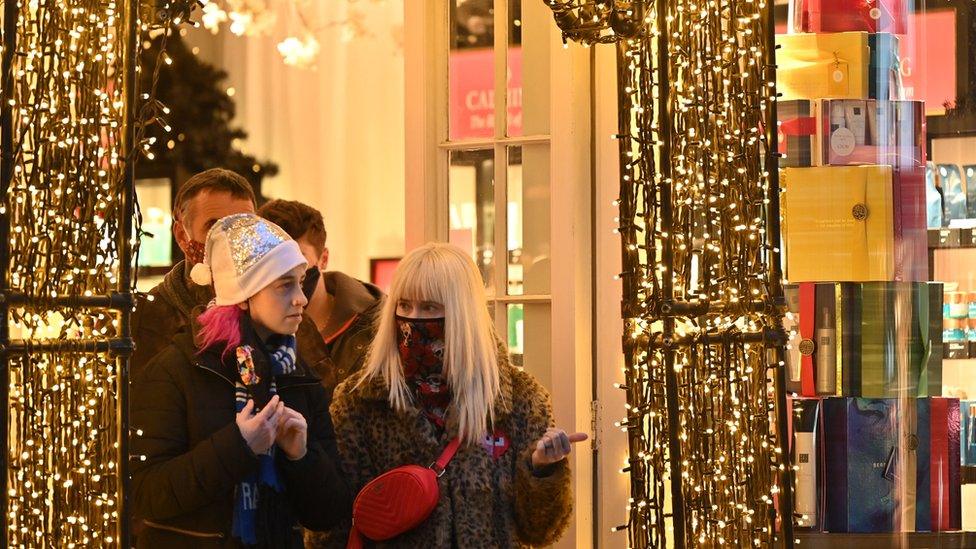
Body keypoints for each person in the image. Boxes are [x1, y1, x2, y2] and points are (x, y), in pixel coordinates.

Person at [330, 242, 583, 547]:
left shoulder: (516, 399)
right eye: (405, 305)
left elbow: (540, 531)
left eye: (430, 307)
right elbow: (335, 522)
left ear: (462, 314)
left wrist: (542, 471)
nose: (413, 319)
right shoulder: (361, 401)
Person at [131, 213, 351, 548]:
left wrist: (302, 456)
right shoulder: (178, 370)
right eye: (284, 286)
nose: (301, 299)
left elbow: (329, 512)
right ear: (243, 295)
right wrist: (239, 446)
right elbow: (146, 494)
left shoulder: (298, 374)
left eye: (301, 281)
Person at [131, 168, 256, 376]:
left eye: (245, 226)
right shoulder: (147, 318)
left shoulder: (276, 303)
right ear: (182, 236)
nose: (231, 239)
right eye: (214, 226)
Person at [257, 199, 384, 391]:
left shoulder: (374, 322)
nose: (285, 270)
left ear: (323, 259)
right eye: (271, 259)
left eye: (297, 257)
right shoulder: (251, 325)